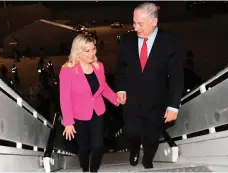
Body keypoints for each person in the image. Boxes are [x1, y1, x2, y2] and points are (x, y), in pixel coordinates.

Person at [115, 2, 185, 169]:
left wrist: (173, 106)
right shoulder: (127, 41)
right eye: (134, 22)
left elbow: (176, 77)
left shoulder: (170, 42)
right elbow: (120, 69)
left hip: (157, 101)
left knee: (151, 137)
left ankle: (148, 161)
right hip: (131, 101)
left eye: (140, 24)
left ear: (154, 21)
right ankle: (133, 149)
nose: (135, 27)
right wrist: (121, 88)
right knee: (131, 132)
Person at [59, 34, 120, 172]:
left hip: (97, 112)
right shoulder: (67, 70)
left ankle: (93, 170)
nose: (92, 53)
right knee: (84, 147)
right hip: (78, 116)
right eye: (87, 51)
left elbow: (103, 88)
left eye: (93, 49)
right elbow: (64, 98)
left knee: (98, 145)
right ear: (78, 52)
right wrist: (68, 122)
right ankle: (85, 168)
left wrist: (116, 99)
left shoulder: (99, 66)